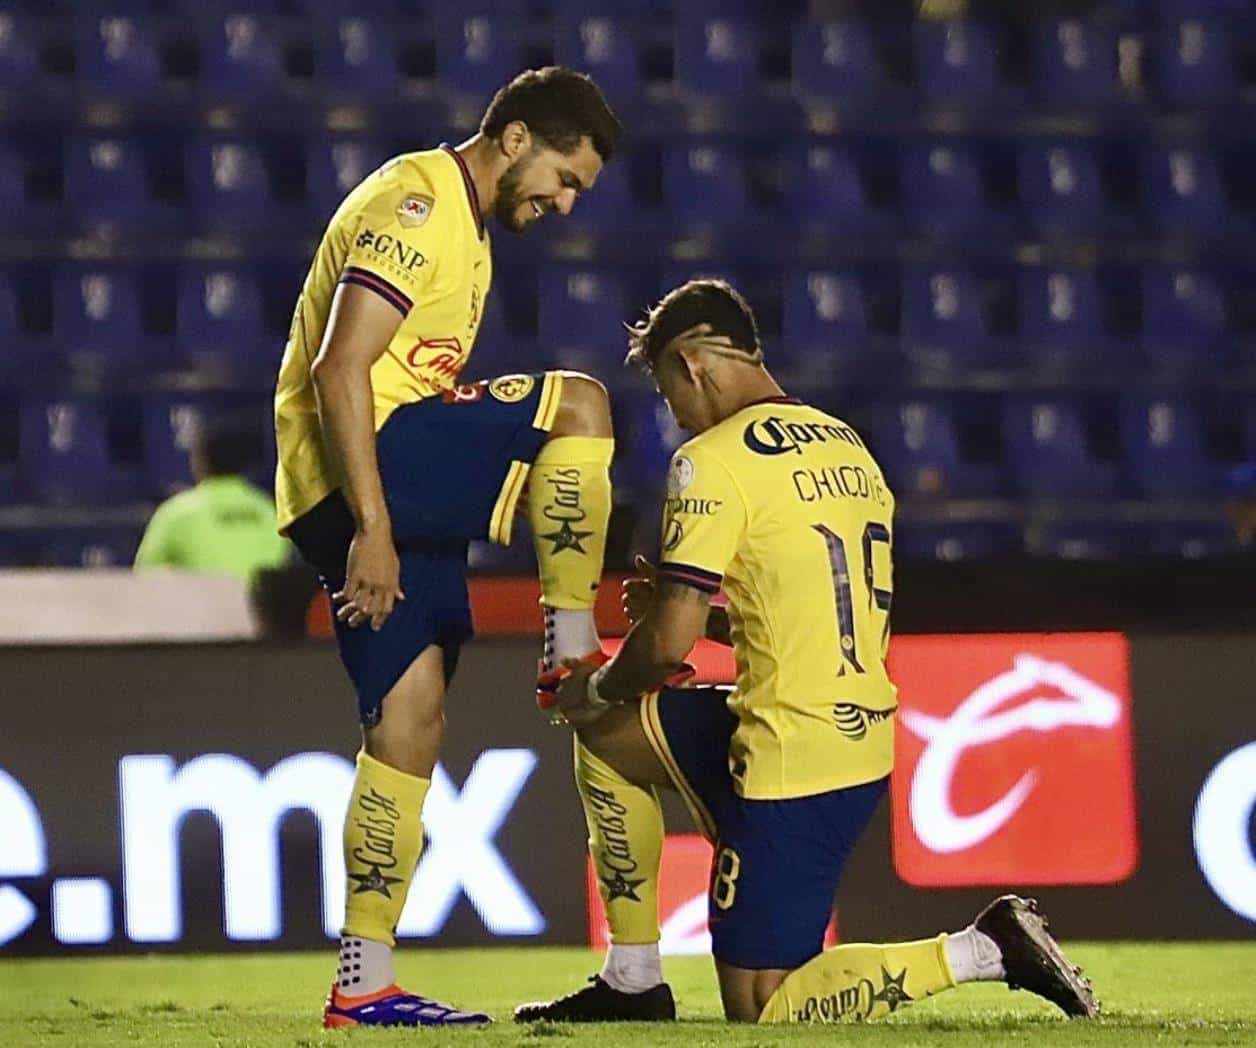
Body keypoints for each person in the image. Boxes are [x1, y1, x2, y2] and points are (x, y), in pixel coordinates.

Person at [517, 280, 1099, 1025]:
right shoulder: (848, 445)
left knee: (762, 1008)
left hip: (793, 760)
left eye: (669, 394)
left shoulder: (712, 461)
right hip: (835, 728)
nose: (675, 416)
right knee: (607, 743)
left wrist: (596, 684)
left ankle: (984, 947)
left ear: (692, 365)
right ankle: (634, 979)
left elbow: (664, 648)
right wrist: (712, 626)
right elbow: (815, 610)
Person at [272, 67, 623, 1028]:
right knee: (582, 406)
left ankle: (363, 980)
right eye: (565, 177)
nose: (563, 202)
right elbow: (341, 364)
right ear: (514, 140)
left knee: (409, 721)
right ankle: (571, 637)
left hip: (360, 488)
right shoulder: (421, 202)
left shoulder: (466, 232)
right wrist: (374, 532)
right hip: (367, 474)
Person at [134, 414, 290, 583]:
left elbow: (142, 581)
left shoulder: (175, 514)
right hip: (263, 608)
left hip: (202, 608)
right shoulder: (269, 511)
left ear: (199, 460)